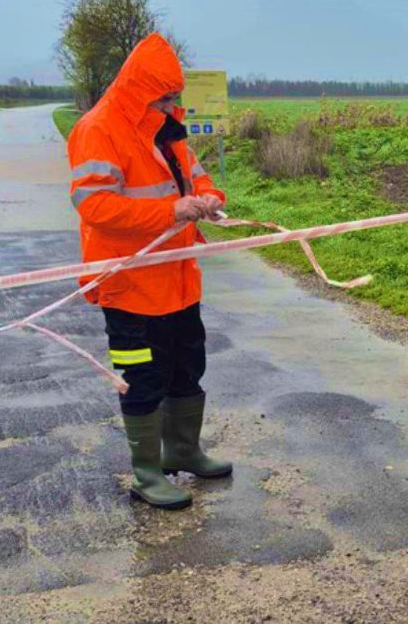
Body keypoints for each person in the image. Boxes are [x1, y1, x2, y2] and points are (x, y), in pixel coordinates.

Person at [67, 33, 232, 511]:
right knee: (142, 377)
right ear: (141, 89)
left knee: (187, 367)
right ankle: (146, 473)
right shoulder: (97, 129)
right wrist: (171, 210)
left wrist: (209, 199)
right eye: (164, 96)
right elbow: (95, 206)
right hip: (130, 286)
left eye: (174, 96)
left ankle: (183, 450)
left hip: (179, 279)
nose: (171, 104)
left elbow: (195, 175)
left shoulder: (167, 126)